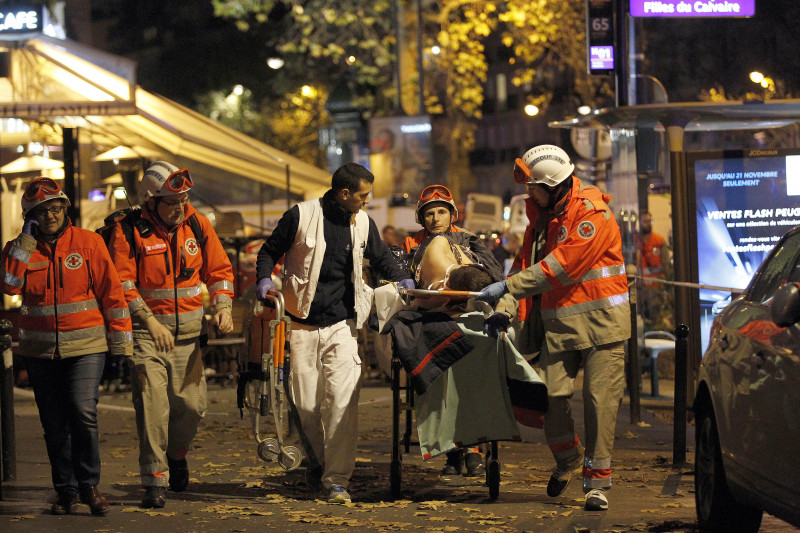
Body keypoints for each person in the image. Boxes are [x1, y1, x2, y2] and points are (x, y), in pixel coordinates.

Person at [476, 144, 631, 511]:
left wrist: (509, 288)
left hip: (603, 329)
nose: (529, 193)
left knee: (600, 404)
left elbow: (561, 268)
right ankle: (568, 460)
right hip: (560, 328)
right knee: (551, 398)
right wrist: (505, 307)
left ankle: (597, 484)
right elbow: (521, 270)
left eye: (534, 187)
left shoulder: (593, 215)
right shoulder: (542, 221)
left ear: (556, 185)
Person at [254, 163, 413, 504]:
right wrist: (264, 279)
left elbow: (382, 257)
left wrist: (403, 277)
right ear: (345, 194)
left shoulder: (363, 224)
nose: (366, 201)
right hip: (300, 325)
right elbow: (268, 251)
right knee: (307, 405)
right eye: (363, 195)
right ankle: (318, 462)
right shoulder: (300, 215)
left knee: (344, 400)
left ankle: (337, 481)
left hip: (343, 326)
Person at [0, 177, 133, 516]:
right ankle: (65, 491)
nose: (51, 216)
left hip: (86, 349)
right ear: (30, 216)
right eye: (42, 212)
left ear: (65, 209)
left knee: (82, 413)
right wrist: (25, 242)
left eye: (56, 208)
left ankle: (89, 486)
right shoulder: (19, 250)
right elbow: (9, 285)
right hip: (40, 352)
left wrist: (121, 345)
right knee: (54, 424)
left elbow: (113, 295)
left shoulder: (88, 243)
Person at [107, 161, 234, 509]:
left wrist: (222, 307)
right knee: (152, 409)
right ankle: (155, 481)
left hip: (190, 338)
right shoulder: (129, 230)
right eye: (172, 201)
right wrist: (149, 322)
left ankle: (177, 455)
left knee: (193, 408)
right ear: (150, 200)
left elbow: (219, 271)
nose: (180, 207)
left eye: (183, 199)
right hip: (148, 336)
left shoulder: (197, 223)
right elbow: (124, 284)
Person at [402, 184, 504, 478]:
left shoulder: (469, 240)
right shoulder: (410, 245)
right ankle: (452, 449)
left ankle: (472, 447)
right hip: (430, 320)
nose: (436, 218)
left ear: (452, 215)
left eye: (441, 212)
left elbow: (495, 277)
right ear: (422, 219)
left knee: (469, 374)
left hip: (469, 318)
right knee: (439, 377)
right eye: (430, 214)